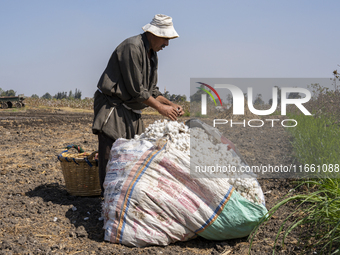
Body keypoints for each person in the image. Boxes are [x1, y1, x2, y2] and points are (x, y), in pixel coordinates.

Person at [92, 14, 184, 194]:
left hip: (131, 109)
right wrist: (160, 108)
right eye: (165, 39)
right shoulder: (132, 48)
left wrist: (170, 104)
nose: (167, 44)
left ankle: (124, 195)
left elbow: (152, 90)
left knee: (133, 154)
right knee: (110, 153)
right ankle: (108, 197)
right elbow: (136, 90)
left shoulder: (152, 55)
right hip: (114, 106)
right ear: (154, 34)